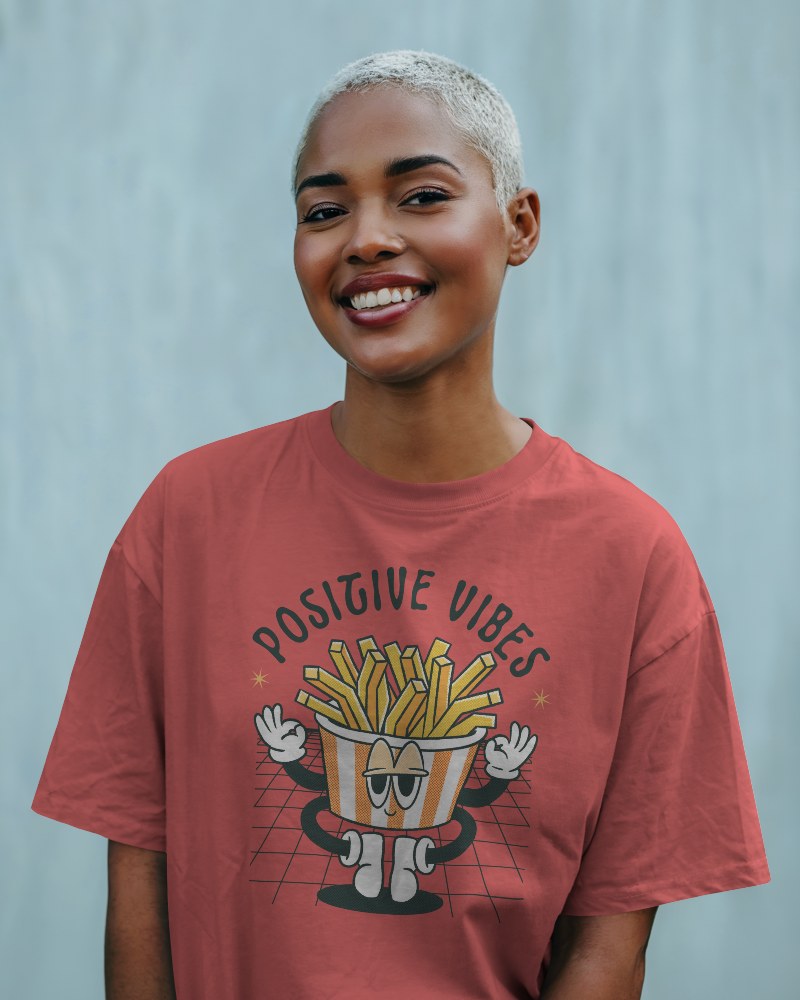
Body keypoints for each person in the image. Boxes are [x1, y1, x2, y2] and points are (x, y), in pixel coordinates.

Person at [31, 49, 769, 1000]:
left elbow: (609, 946)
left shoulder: (632, 557)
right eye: (325, 210)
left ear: (519, 224)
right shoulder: (188, 517)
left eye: (421, 196)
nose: (367, 238)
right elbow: (139, 872)